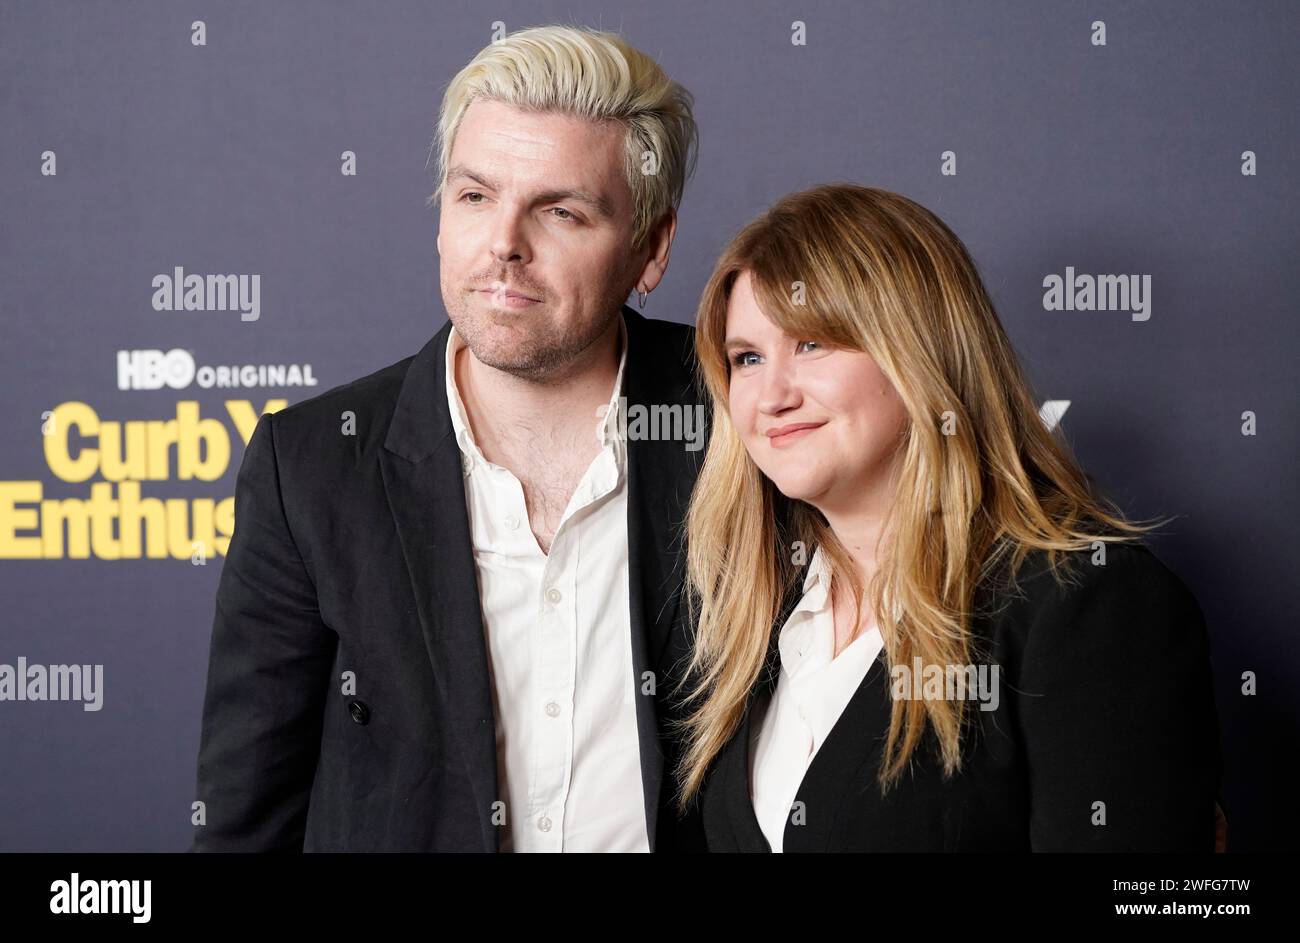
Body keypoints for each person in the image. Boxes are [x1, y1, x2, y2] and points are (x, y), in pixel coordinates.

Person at [190, 25, 707, 852]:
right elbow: (246, 818)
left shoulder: (746, 421)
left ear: (650, 248)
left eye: (561, 211)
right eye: (474, 196)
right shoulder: (313, 466)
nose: (504, 243)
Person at [671, 183, 1224, 852]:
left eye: (812, 344)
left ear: (922, 350)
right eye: (747, 358)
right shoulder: (756, 610)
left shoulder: (1086, 603)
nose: (773, 394)